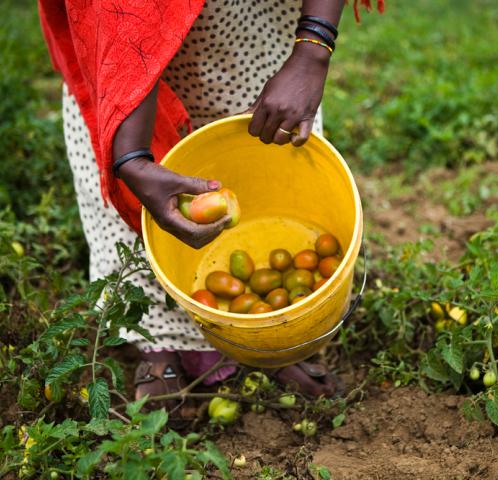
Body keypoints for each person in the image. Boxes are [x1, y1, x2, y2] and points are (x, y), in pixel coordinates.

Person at [38, 0, 383, 421]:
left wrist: (312, 50)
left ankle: (270, 336)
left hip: (247, 35)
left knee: (265, 149)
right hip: (123, 37)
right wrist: (131, 157)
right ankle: (157, 339)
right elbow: (119, 19)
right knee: (134, 189)